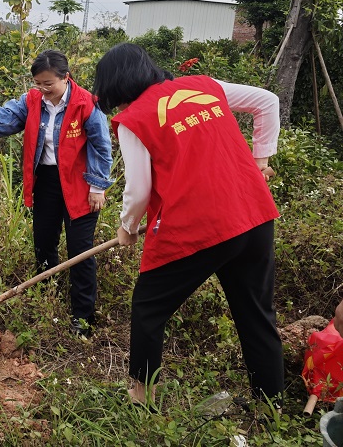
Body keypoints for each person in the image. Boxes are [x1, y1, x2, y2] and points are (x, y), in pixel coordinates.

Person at [92, 42, 283, 406]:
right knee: (256, 312)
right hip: (254, 215)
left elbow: (139, 189)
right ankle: (271, 403)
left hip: (201, 225)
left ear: (119, 85)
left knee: (149, 307)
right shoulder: (204, 85)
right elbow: (267, 101)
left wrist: (127, 227)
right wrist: (260, 161)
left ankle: (141, 396)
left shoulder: (134, 119)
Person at [0, 49, 114, 337]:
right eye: (38, 84)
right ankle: (45, 296)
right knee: (44, 242)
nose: (43, 90)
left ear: (66, 78)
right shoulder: (33, 100)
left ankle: (82, 318)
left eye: (48, 84)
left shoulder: (85, 104)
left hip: (80, 185)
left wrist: (98, 186)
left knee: (81, 251)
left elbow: (101, 145)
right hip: (47, 182)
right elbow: (7, 116)